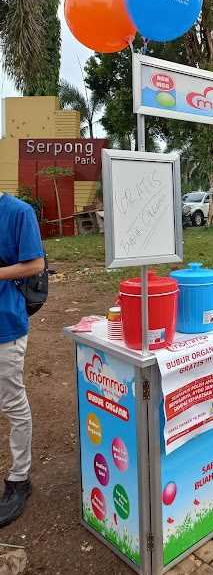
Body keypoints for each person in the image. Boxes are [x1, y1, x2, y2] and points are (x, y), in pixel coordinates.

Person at [0, 192, 44, 528]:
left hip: (6, 323)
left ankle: (19, 479)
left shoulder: (18, 212)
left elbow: (35, 264)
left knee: (12, 402)